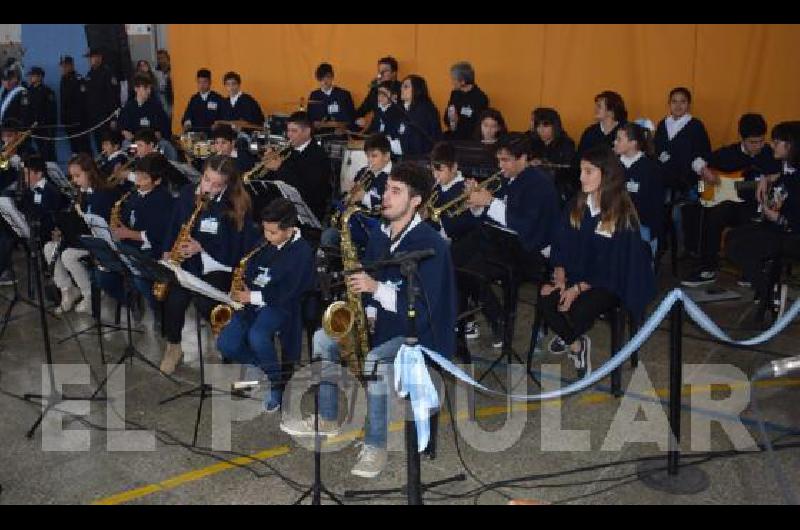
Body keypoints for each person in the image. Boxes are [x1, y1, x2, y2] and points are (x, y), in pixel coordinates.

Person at [280, 161, 457, 480]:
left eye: (395, 191)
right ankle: (329, 417)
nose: (385, 197)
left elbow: (424, 307)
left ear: (415, 201)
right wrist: (369, 313)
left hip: (420, 334)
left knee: (375, 359)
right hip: (386, 324)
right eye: (387, 188)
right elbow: (374, 278)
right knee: (323, 339)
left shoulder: (432, 246)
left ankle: (376, 445)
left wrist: (375, 289)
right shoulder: (380, 233)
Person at [541, 145, 656, 376]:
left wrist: (577, 289)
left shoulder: (620, 212)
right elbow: (561, 239)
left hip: (608, 280)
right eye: (581, 171)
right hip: (576, 273)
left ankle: (569, 333)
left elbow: (612, 265)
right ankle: (576, 343)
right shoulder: (578, 203)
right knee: (545, 298)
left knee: (578, 310)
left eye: (588, 171)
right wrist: (561, 274)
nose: (581, 177)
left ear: (606, 175)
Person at [456, 133, 560, 347]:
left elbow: (523, 225)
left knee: (471, 269)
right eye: (499, 159)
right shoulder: (508, 179)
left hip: (533, 252)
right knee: (457, 260)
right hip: (508, 245)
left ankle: (498, 322)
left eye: (506, 160)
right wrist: (477, 207)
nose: (500, 165)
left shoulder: (538, 183)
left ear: (523, 158)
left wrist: (489, 202)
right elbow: (496, 219)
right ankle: (472, 321)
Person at [159, 155, 259, 375]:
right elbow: (174, 224)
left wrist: (202, 248)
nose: (208, 187)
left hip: (220, 265)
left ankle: (224, 338)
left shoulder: (234, 204)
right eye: (206, 179)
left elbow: (235, 246)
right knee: (174, 299)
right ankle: (173, 346)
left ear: (227, 185)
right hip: (189, 262)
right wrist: (168, 250)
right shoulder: (187, 194)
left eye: (216, 184)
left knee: (205, 300)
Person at [216, 198, 315, 412]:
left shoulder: (303, 252)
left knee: (257, 335)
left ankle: (276, 385)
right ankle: (261, 369)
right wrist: (242, 283)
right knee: (226, 343)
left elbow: (290, 289)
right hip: (253, 299)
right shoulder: (264, 241)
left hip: (283, 304)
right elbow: (251, 268)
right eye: (265, 231)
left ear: (289, 230)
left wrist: (252, 297)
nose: (267, 238)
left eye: (272, 233)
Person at [681, 113, 781, 287]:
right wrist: (704, 171)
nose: (757, 146)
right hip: (731, 203)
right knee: (712, 215)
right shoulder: (728, 153)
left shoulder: (771, 155)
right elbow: (696, 161)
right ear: (742, 139)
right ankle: (708, 268)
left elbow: (786, 174)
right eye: (752, 142)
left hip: (759, 206)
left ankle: (751, 269)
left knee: (753, 220)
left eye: (761, 141)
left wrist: (770, 179)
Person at [726, 121, 800, 320]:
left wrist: (777, 216)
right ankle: (767, 288)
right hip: (775, 225)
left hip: (791, 232)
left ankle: (768, 294)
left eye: (777, 142)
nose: (773, 145)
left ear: (791, 146)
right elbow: (780, 178)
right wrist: (765, 179)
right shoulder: (786, 168)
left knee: (741, 248)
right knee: (733, 237)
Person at [102, 152, 176, 322]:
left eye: (144, 178)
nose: (138, 181)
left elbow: (160, 234)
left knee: (140, 277)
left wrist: (129, 234)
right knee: (103, 271)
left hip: (152, 250)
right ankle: (128, 299)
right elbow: (127, 219)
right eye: (138, 176)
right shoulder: (134, 195)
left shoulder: (163, 200)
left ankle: (158, 310)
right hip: (130, 246)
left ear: (157, 181)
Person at [43, 153, 118, 314]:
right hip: (80, 238)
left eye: (78, 176)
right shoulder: (81, 194)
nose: (74, 180)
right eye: (72, 176)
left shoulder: (103, 194)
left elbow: (102, 225)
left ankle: (89, 294)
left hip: (97, 240)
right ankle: (67, 290)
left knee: (68, 255)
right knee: (49, 247)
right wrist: (63, 229)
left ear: (90, 172)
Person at [0, 153, 66, 286]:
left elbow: (47, 215)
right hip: (33, 226)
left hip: (46, 230)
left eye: (26, 174)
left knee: (7, 238)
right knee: (5, 233)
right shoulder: (31, 189)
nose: (24, 178)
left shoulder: (49, 190)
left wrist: (26, 212)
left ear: (39, 174)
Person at [321, 133, 392, 249]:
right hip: (354, 222)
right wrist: (348, 196)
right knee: (328, 236)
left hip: (377, 228)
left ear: (387, 156)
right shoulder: (363, 172)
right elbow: (350, 199)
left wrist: (363, 197)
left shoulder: (393, 177)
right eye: (367, 156)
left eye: (374, 156)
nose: (369, 161)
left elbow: (386, 206)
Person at [261, 111, 332, 223]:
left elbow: (308, 191)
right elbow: (274, 182)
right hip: (285, 204)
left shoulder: (319, 156)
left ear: (307, 131)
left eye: (294, 131)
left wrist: (280, 167)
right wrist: (267, 165)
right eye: (288, 130)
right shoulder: (288, 151)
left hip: (308, 210)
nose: (289, 135)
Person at [613, 122, 664, 257]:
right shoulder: (612, 165)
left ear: (633, 143)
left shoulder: (651, 168)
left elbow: (656, 205)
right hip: (614, 224)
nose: (615, 142)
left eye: (619, 139)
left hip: (642, 226)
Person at [529, 107, 578, 205]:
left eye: (545, 126)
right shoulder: (532, 141)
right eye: (538, 126)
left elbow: (568, 170)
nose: (541, 130)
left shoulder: (566, 144)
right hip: (534, 186)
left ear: (555, 126)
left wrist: (544, 164)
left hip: (558, 189)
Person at [84, 48, 120, 154]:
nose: (91, 60)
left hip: (106, 117)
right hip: (95, 118)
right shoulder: (89, 74)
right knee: (99, 144)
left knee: (109, 143)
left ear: (100, 58)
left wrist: (113, 117)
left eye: (93, 57)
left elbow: (113, 97)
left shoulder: (107, 73)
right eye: (90, 58)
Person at [395, 74, 441, 158]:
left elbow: (417, 140)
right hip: (408, 156)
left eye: (406, 87)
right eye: (401, 86)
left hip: (421, 158)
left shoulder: (424, 109)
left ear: (416, 89)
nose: (401, 89)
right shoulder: (404, 108)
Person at [118, 72, 171, 142]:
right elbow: (123, 128)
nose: (149, 91)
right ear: (136, 88)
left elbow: (165, 125)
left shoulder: (156, 105)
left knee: (169, 149)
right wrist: (125, 133)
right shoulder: (128, 107)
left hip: (153, 142)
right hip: (134, 142)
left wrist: (160, 133)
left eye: (150, 88)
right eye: (146, 88)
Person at [444, 62, 489, 141]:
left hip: (471, 140)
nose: (452, 82)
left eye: (454, 79)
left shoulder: (480, 98)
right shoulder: (455, 94)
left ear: (463, 81)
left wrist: (459, 120)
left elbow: (479, 124)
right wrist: (451, 121)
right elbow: (446, 116)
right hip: (455, 136)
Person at [354, 56, 401, 130]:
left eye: (384, 71)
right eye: (379, 72)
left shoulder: (402, 89)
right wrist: (357, 120)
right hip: (376, 132)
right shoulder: (375, 90)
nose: (380, 75)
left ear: (394, 73)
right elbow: (362, 110)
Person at [307, 63, 356, 131]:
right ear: (317, 79)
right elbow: (310, 119)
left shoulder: (344, 95)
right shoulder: (314, 95)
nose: (325, 81)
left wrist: (342, 126)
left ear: (332, 77)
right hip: (319, 134)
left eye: (327, 77)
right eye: (321, 78)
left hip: (340, 134)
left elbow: (351, 118)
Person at [577, 91, 627, 155]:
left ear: (611, 110)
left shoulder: (626, 130)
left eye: (599, 106)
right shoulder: (590, 132)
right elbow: (579, 158)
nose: (595, 109)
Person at [59, 55, 91, 155]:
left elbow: (83, 101)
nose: (63, 68)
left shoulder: (78, 79)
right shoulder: (63, 80)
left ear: (71, 66)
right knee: (74, 148)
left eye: (65, 66)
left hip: (80, 121)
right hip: (69, 121)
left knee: (84, 147)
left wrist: (82, 119)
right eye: (62, 66)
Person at [25, 66, 57, 162]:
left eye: (32, 76)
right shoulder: (28, 91)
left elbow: (51, 112)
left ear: (39, 77)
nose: (30, 78)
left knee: (48, 153)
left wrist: (48, 127)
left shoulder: (47, 92)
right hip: (31, 128)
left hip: (44, 128)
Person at [365, 81, 404, 154]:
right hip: (378, 147)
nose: (380, 97)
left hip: (391, 151)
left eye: (384, 94)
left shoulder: (399, 112)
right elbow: (374, 129)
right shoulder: (378, 110)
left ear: (394, 96)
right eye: (379, 94)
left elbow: (395, 134)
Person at [0, 118, 37, 193]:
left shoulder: (29, 151)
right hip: (4, 189)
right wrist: (4, 161)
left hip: (24, 190)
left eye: (9, 136)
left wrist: (20, 164)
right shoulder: (1, 150)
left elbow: (35, 174)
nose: (6, 139)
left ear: (18, 135)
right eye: (3, 136)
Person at [181, 69, 224, 133]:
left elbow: (223, 118)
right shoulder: (194, 99)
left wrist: (218, 125)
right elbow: (187, 115)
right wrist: (187, 123)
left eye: (205, 82)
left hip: (213, 134)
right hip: (195, 134)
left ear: (210, 82)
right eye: (199, 82)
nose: (202, 85)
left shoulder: (217, 98)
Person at [154, 50, 173, 121]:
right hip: (161, 99)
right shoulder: (155, 72)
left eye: (162, 58)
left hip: (171, 99)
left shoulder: (173, 70)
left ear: (168, 58)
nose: (161, 60)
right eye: (159, 58)